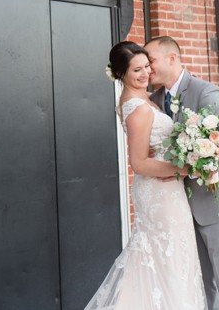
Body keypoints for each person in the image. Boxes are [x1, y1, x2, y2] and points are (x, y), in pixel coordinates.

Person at [84, 41, 206, 310]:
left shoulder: (141, 99)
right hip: (160, 194)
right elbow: (139, 163)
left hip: (164, 189)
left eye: (146, 67)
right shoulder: (138, 107)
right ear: (121, 74)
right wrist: (184, 168)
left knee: (168, 260)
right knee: (168, 260)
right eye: (136, 70)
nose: (144, 74)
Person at [144, 36, 219, 310]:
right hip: (180, 209)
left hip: (218, 204)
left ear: (172, 58)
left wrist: (188, 165)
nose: (147, 68)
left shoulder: (206, 92)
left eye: (151, 61)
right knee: (201, 286)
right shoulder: (154, 101)